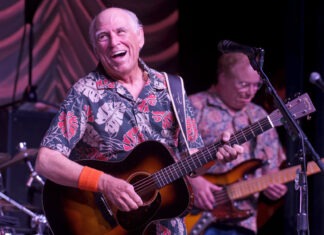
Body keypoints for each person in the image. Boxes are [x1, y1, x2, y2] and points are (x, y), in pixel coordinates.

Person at [35, 7, 243, 235]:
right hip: (109, 225)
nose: (114, 42)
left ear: (140, 37)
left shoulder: (171, 87)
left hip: (167, 227)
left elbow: (193, 164)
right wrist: (105, 183)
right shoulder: (85, 92)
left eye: (121, 32)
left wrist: (215, 156)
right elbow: (47, 160)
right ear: (96, 49)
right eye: (103, 37)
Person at [188, 51, 288, 235]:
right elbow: (166, 155)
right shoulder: (193, 107)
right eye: (243, 84)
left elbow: (270, 168)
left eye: (256, 86)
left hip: (244, 222)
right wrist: (194, 182)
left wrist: (273, 188)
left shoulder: (260, 116)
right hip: (195, 218)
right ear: (223, 77)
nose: (250, 92)